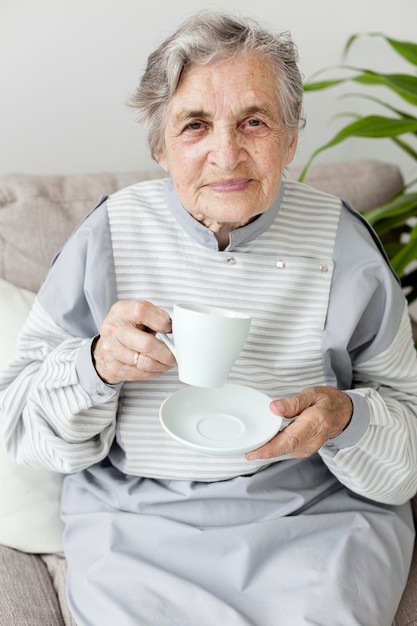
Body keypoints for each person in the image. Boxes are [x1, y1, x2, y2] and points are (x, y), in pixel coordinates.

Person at [1, 10, 417, 626]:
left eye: (254, 121)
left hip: (315, 526)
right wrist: (93, 366)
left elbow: (409, 439)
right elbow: (19, 426)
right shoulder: (108, 235)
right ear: (160, 145)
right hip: (137, 528)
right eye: (195, 125)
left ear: (292, 137)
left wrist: (347, 417)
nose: (228, 154)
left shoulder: (343, 244)